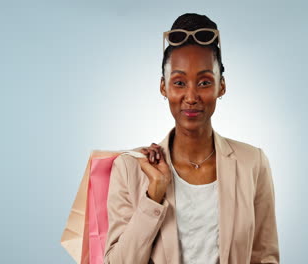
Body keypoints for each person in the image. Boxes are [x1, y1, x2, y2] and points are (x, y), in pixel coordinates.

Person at [104, 13, 280, 264]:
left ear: (222, 86)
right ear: (163, 87)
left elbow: (265, 257)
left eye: (205, 82)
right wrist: (154, 194)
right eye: (179, 82)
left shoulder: (253, 163)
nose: (191, 96)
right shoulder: (129, 167)